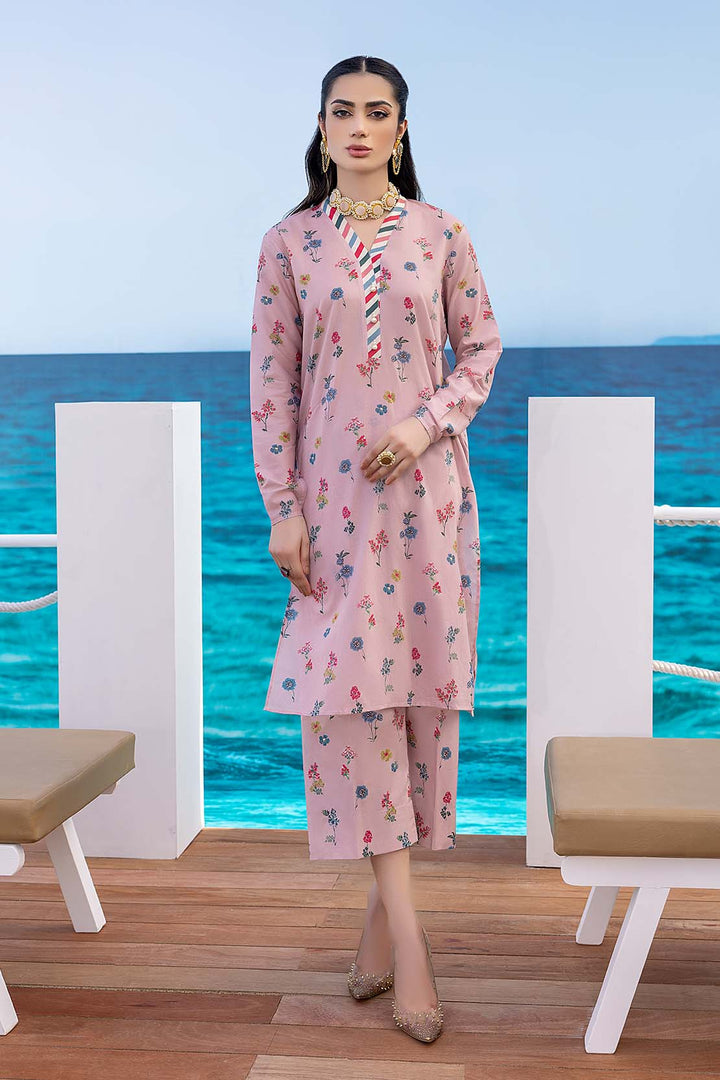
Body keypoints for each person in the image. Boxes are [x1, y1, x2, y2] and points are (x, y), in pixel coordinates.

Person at [249, 54, 502, 1043]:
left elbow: (481, 350)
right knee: (349, 708)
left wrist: (425, 423)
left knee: (411, 704)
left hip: (426, 505)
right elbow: (272, 382)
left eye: (378, 111)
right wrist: (281, 507)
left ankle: (375, 938)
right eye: (341, 110)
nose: (358, 125)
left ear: (402, 130)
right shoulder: (289, 243)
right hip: (330, 512)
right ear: (321, 128)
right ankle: (413, 949)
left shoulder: (443, 234)